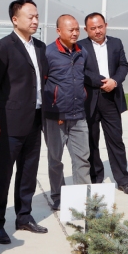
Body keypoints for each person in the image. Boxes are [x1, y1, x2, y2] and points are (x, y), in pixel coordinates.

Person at [0, 0, 49, 242]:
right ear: (15, 19)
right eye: (30, 16)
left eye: (37, 16)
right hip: (9, 122)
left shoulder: (40, 47)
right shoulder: (3, 47)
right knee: (2, 174)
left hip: (35, 118)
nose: (35, 21)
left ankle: (24, 216)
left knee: (28, 172)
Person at [78, 12, 128, 194]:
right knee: (91, 141)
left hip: (111, 99)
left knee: (116, 140)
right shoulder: (80, 46)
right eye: (93, 28)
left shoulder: (116, 43)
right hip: (90, 100)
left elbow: (123, 65)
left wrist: (115, 81)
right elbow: (80, 70)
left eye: (100, 27)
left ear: (106, 25)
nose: (97, 31)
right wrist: (101, 81)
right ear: (86, 29)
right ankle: (96, 178)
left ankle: (123, 180)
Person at [43, 14, 94, 210]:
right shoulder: (48, 53)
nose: (75, 33)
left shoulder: (82, 52)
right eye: (70, 29)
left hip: (78, 115)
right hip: (55, 117)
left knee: (82, 159)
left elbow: (83, 77)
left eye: (77, 29)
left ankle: (84, 199)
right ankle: (58, 195)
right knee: (55, 160)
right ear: (58, 31)